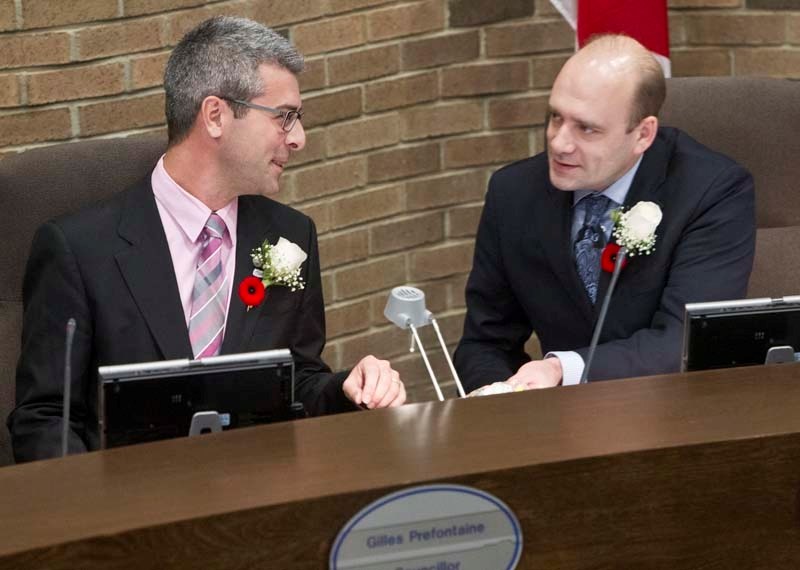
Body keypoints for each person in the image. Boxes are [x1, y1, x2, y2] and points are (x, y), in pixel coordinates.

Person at [8, 16, 405, 463]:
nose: (299, 139)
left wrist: (347, 388)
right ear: (215, 115)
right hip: (125, 506)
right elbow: (45, 417)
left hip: (254, 495)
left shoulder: (291, 238)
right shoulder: (79, 250)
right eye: (285, 117)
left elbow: (298, 382)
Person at [453, 34, 755, 393]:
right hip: (553, 423)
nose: (559, 143)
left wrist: (561, 369)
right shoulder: (514, 193)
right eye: (555, 117)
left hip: (672, 414)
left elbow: (684, 340)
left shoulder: (711, 191)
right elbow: (485, 343)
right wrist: (499, 397)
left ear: (643, 134)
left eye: (587, 128)